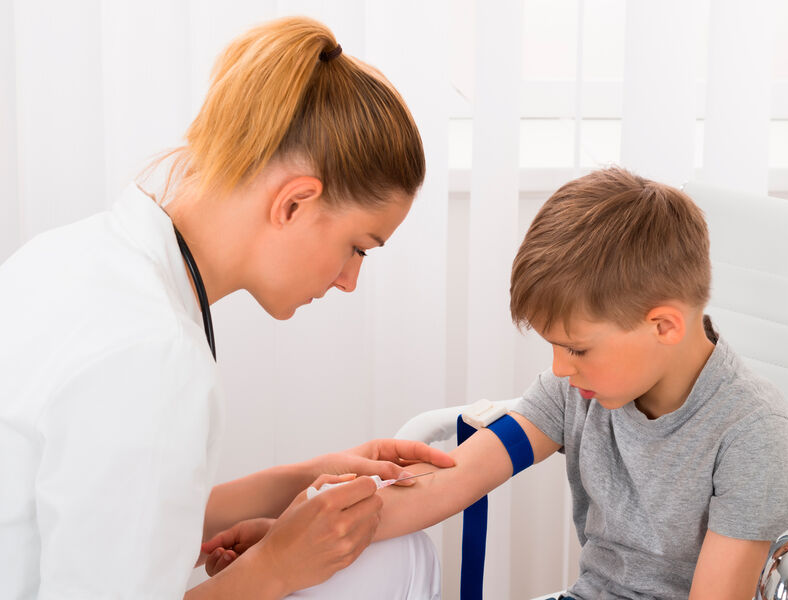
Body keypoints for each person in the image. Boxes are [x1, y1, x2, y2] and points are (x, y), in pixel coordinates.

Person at [0, 16, 453, 600]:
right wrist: (275, 569)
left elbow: (98, 514)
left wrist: (300, 479)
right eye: (357, 248)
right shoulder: (153, 356)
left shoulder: (69, 255)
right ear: (294, 204)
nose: (349, 280)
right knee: (399, 559)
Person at [331, 167, 788, 598]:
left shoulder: (754, 438)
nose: (560, 368)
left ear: (664, 327)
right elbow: (456, 479)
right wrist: (309, 525)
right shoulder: (578, 391)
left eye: (577, 349)